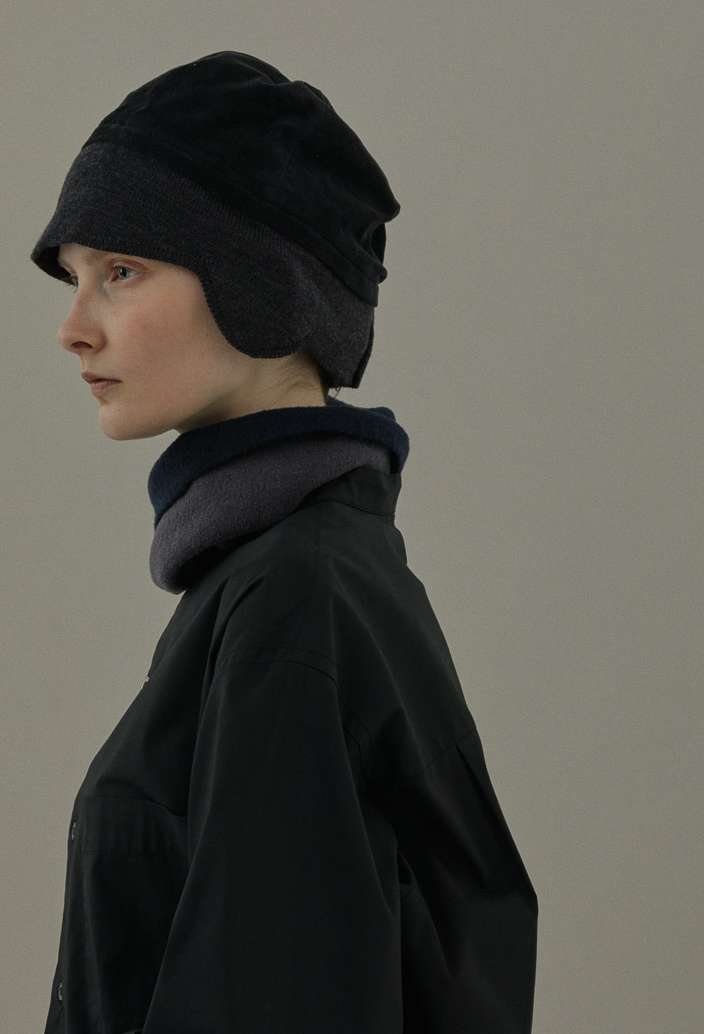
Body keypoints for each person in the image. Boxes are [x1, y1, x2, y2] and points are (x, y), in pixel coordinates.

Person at [29, 50, 538, 1033]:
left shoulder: (289, 598)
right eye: (73, 278)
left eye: (120, 271)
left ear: (259, 285)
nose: (73, 328)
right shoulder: (298, 575)